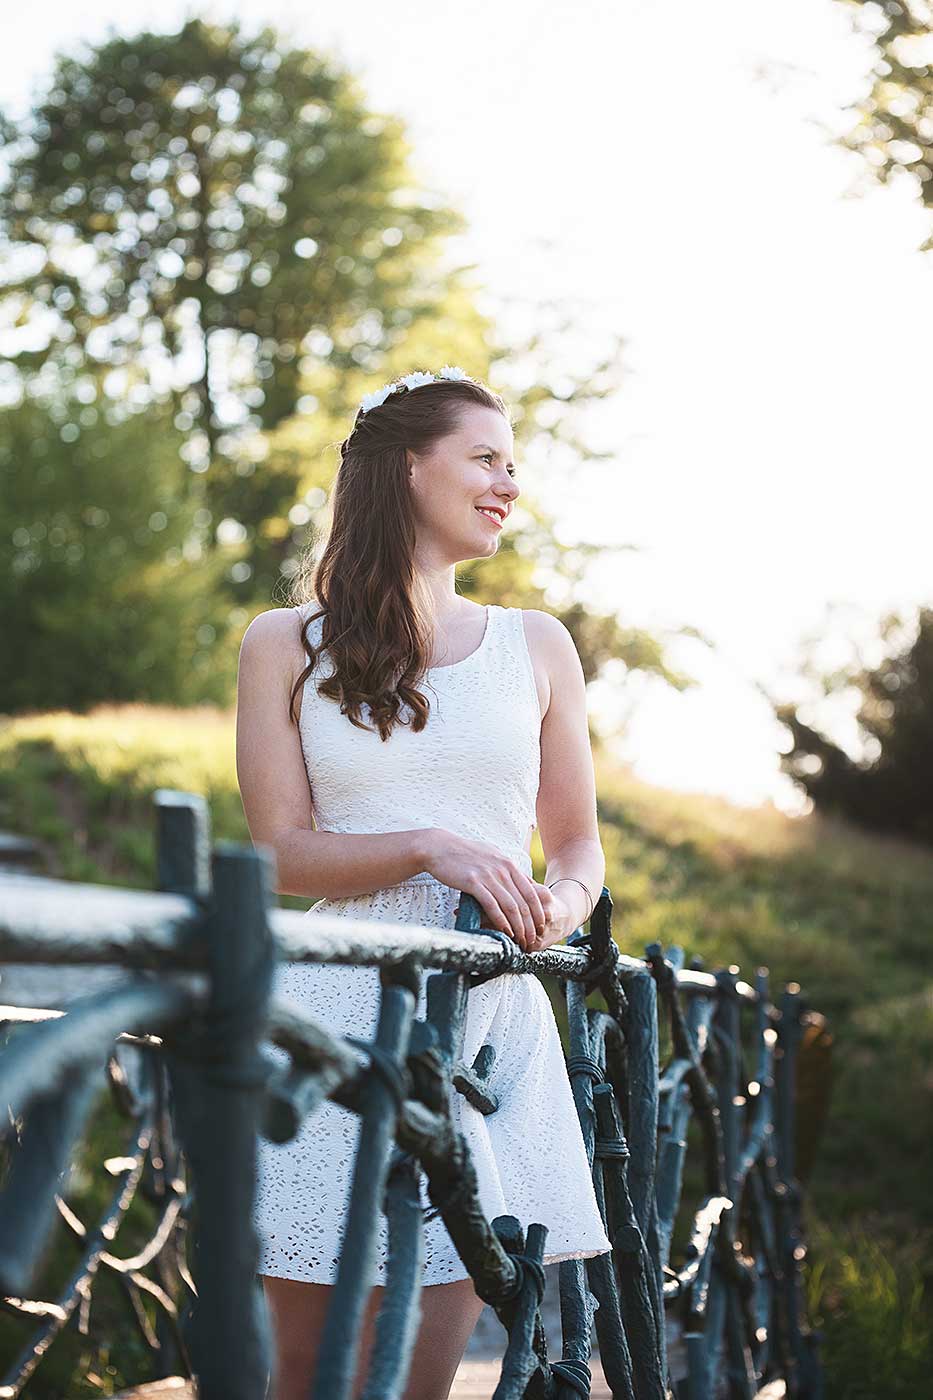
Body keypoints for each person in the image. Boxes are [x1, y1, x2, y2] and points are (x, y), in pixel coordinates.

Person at [235, 367, 612, 1400]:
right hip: (332, 1022)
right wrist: (428, 844)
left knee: (415, 1372)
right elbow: (279, 853)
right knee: (307, 1373)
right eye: (486, 457)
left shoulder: (537, 644)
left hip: (481, 1030)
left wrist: (556, 911)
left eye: (513, 463)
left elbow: (577, 849)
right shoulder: (283, 644)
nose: (509, 484)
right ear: (409, 466)